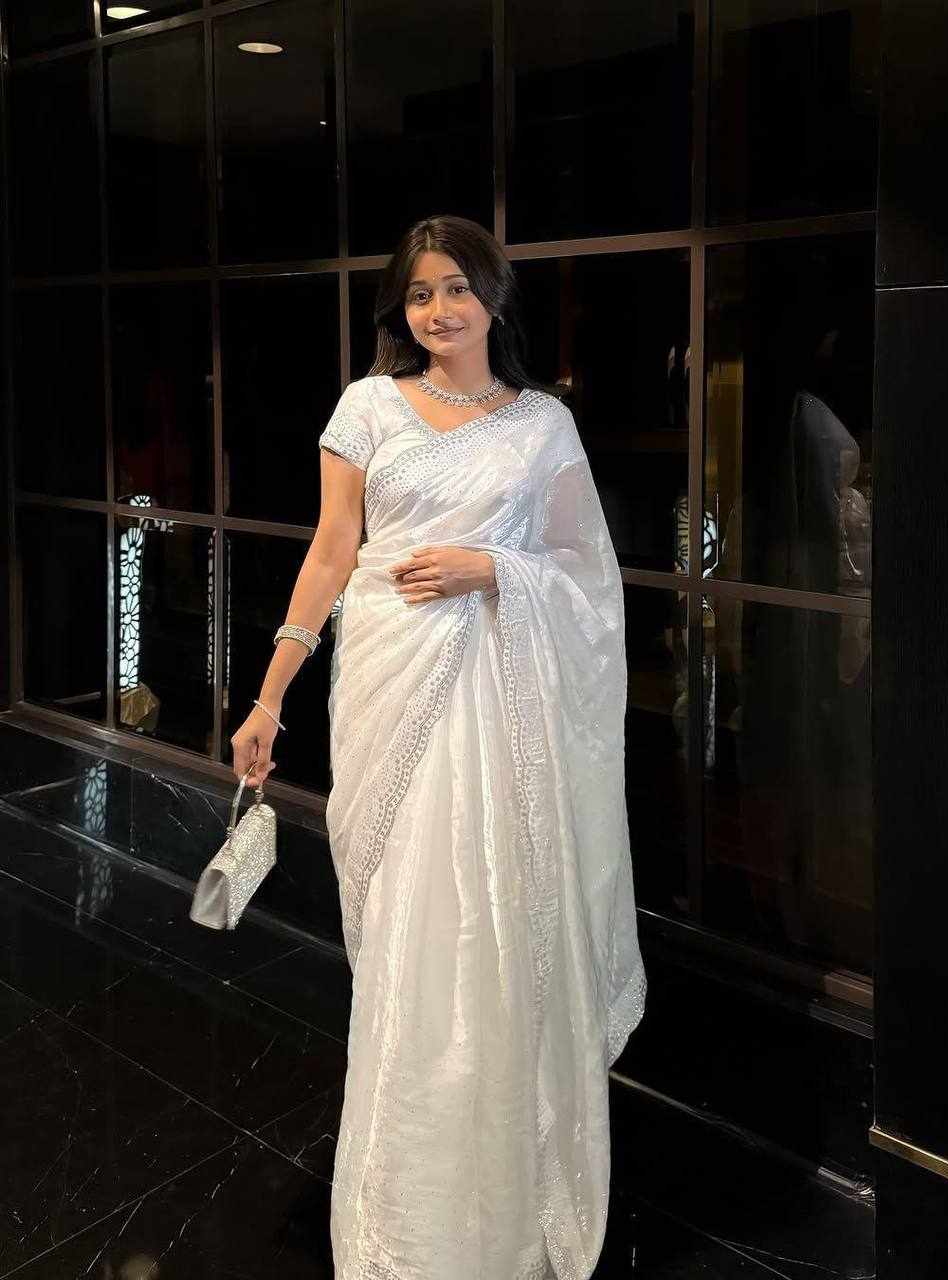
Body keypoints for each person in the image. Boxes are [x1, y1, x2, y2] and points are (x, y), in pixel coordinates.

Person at [230, 214, 647, 1280]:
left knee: (496, 923)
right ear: (400, 308)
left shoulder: (543, 426)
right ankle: (405, 1204)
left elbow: (586, 574)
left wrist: (494, 570)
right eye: (420, 293)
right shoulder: (367, 407)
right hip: (391, 694)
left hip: (501, 716)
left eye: (457, 287)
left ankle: (504, 1191)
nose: (439, 310)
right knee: (410, 935)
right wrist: (270, 696)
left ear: (493, 296)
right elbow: (334, 553)